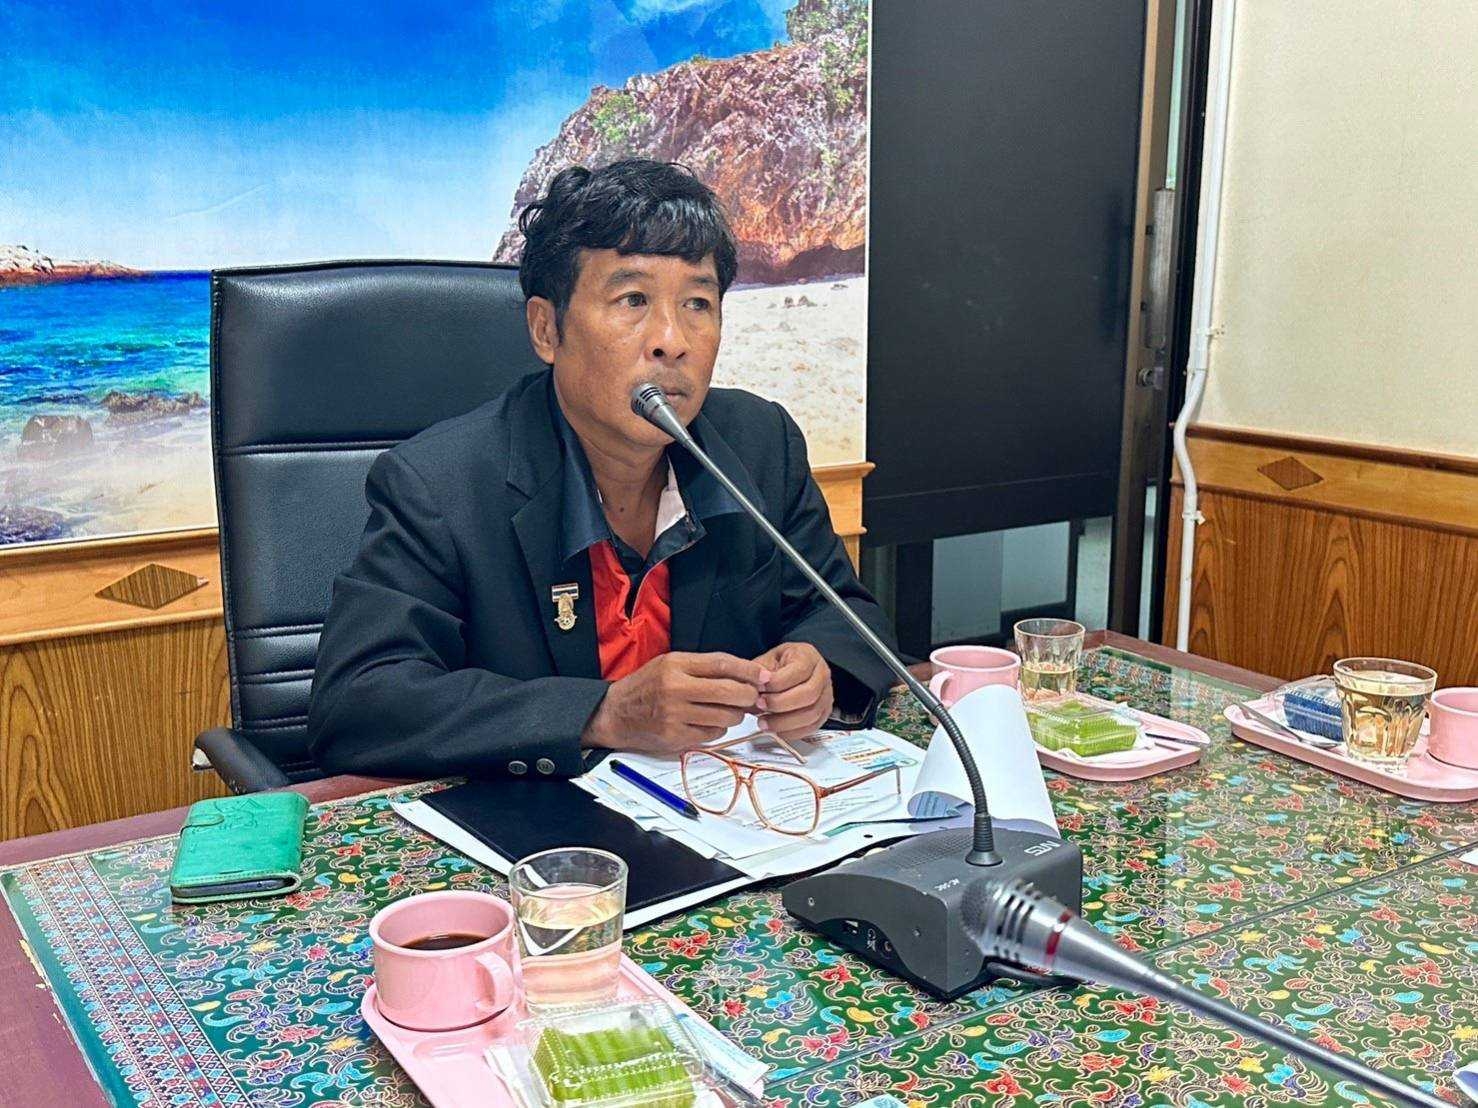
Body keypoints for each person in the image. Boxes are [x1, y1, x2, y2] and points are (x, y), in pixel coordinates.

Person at [307, 159, 895, 779]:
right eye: (633, 299)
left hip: (728, 808)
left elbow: (847, 616)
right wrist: (601, 712)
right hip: (540, 824)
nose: (672, 340)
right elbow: (358, 703)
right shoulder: (441, 484)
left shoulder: (760, 443)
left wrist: (819, 668)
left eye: (698, 303)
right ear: (546, 329)